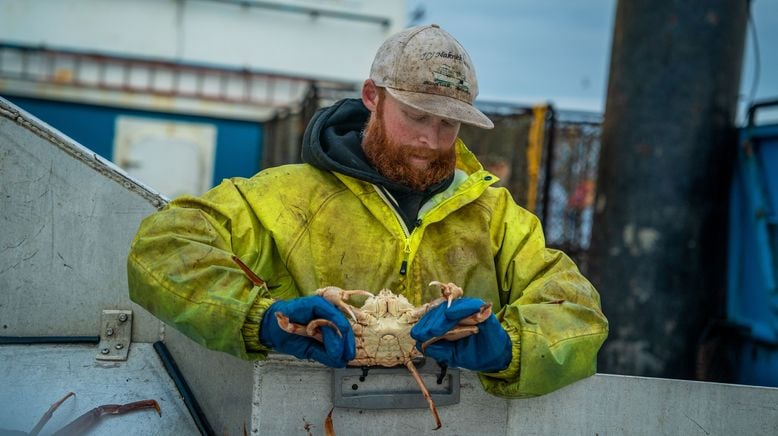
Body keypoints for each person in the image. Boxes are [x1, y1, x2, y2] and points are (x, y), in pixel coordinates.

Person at [127, 24, 608, 397]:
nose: (430, 139)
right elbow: (162, 249)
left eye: (449, 124)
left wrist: (510, 348)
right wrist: (260, 318)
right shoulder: (282, 196)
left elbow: (577, 313)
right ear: (372, 96)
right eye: (416, 116)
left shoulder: (496, 217)